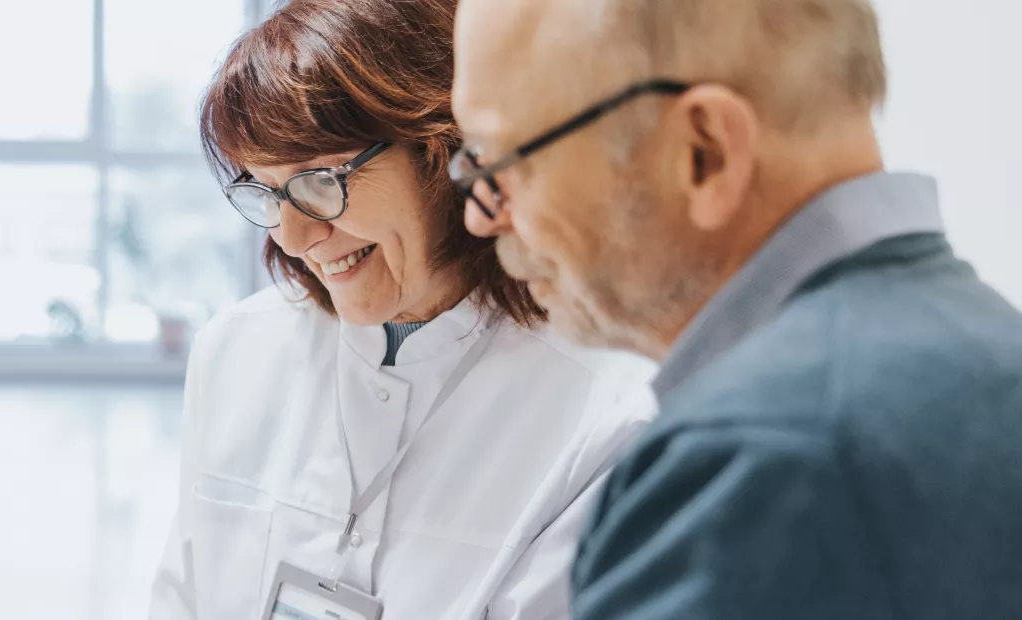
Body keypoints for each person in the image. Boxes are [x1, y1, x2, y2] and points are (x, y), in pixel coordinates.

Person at [450, 0, 1022, 617]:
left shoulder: (757, 462)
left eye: (505, 163)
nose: (482, 215)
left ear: (705, 152)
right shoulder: (989, 355)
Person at [149, 1, 658, 618]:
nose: (293, 236)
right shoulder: (236, 351)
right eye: (265, 190)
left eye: (320, 181)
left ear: (442, 151)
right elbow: (182, 597)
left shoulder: (606, 408)